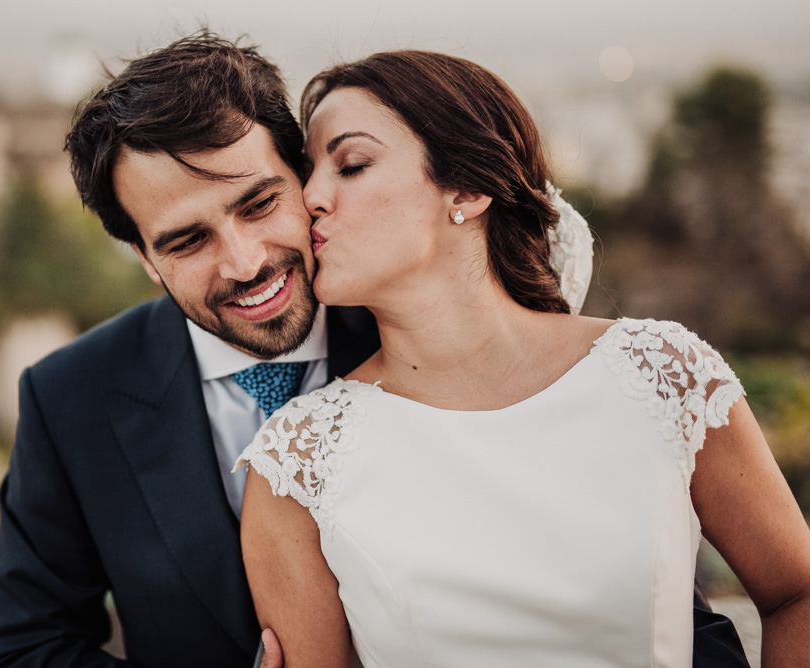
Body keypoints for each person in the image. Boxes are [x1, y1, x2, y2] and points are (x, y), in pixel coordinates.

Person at [237, 50, 810, 667]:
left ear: (467, 187)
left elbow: (795, 594)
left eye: (350, 165)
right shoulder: (296, 463)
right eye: (309, 172)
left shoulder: (662, 376)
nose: (310, 197)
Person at [0, 32, 379, 668]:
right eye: (188, 241)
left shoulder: (407, 325)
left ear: (304, 178)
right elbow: (24, 649)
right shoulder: (69, 398)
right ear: (144, 258)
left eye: (260, 204)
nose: (245, 263)